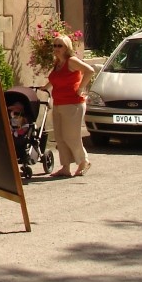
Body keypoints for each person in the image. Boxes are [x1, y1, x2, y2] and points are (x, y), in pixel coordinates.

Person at [44, 34, 96, 178]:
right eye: (55, 45)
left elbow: (90, 71)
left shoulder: (71, 61)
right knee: (60, 137)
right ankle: (65, 167)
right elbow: (55, 79)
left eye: (60, 46)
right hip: (58, 103)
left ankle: (84, 161)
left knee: (71, 137)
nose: (56, 48)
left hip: (73, 104)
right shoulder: (58, 63)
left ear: (67, 47)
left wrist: (80, 88)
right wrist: (44, 87)